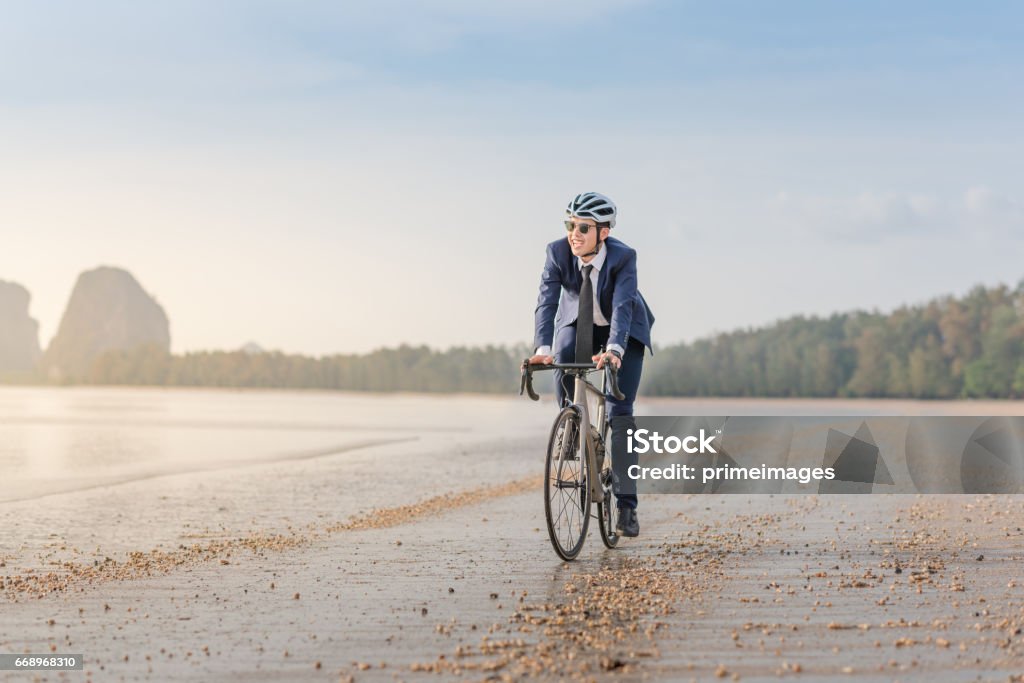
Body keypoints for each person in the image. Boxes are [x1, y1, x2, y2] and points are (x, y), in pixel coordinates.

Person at [529, 192, 655, 537]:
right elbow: (547, 302)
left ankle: (627, 506)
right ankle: (573, 425)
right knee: (563, 351)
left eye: (583, 227)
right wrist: (542, 348)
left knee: (621, 411)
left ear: (604, 233)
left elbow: (624, 305)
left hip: (624, 330)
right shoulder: (557, 252)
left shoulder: (623, 257)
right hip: (578, 321)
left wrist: (614, 349)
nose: (574, 233)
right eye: (570, 224)